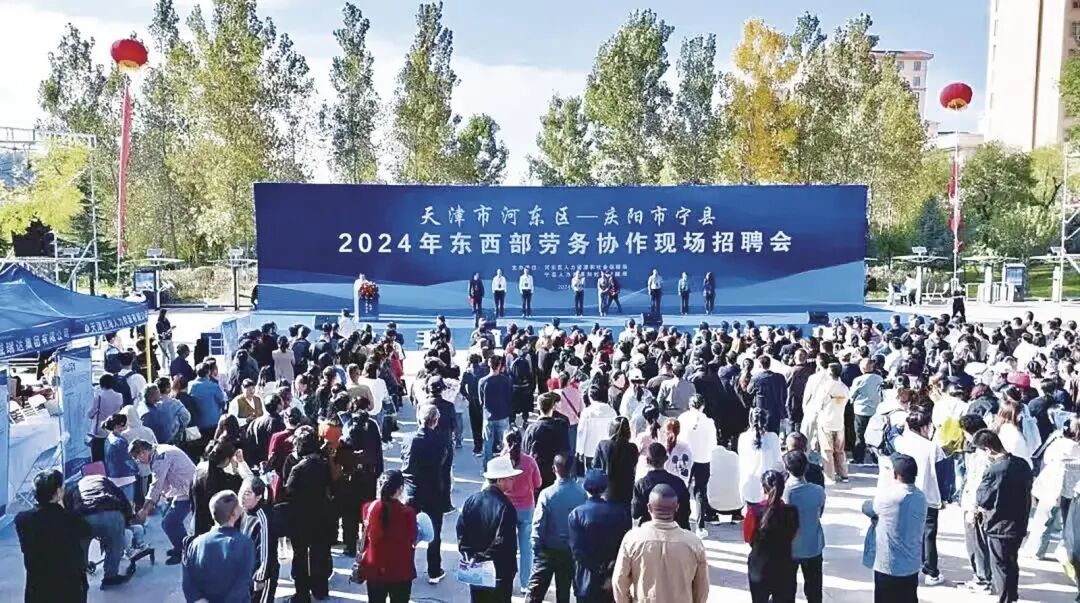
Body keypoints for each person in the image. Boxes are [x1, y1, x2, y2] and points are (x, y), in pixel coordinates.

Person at [614, 483, 709, 603]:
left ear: (649, 508)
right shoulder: (693, 543)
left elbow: (619, 581)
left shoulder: (632, 539)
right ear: (676, 508)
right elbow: (702, 588)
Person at [974, 429, 1034, 603]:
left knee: (1000, 566)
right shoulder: (1022, 464)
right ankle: (1012, 595)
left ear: (988, 449)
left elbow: (982, 499)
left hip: (999, 526)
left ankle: (1005, 599)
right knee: (1012, 562)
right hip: (1019, 523)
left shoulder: (993, 471)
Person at [16, 470, 92, 603]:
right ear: (58, 492)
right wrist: (62, 506)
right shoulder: (70, 519)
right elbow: (86, 530)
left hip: (38, 588)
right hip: (69, 588)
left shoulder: (22, 519)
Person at [861, 454, 927, 603]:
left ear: (895, 475)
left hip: (888, 567)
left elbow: (867, 507)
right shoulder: (921, 497)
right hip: (911, 566)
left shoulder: (888, 498)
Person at [280, 425, 334, 602]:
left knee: (300, 555)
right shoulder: (322, 461)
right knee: (320, 553)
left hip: (300, 516)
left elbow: (287, 489)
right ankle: (320, 589)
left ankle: (302, 594)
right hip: (321, 513)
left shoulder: (294, 464)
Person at [892, 410, 945, 586]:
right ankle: (931, 572)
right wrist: (944, 497)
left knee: (905, 532)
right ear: (924, 427)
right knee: (929, 535)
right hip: (929, 495)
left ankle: (907, 566)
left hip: (903, 494)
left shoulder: (901, 443)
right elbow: (942, 474)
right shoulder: (933, 448)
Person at [458, 456, 521, 602]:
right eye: (510, 478)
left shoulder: (472, 501)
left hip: (475, 568)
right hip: (499, 572)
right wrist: (485, 557)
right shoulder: (506, 507)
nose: (513, 481)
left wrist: (471, 555)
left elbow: (461, 531)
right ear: (500, 480)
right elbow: (504, 542)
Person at [528, 454, 587, 603]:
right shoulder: (582, 494)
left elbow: (538, 525)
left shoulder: (547, 494)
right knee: (564, 593)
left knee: (535, 594)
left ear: (554, 468)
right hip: (569, 551)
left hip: (547, 551)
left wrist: (536, 549)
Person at [402, 404, 450, 584]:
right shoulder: (442, 440)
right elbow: (445, 469)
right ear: (436, 421)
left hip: (412, 491)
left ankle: (406, 567)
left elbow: (405, 465)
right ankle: (434, 570)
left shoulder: (409, 439)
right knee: (434, 532)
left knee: (408, 532)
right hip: (433, 491)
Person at [568, 470, 632, 603]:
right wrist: (608, 574)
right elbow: (623, 548)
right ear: (606, 488)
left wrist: (597, 572)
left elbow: (577, 551)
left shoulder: (576, 514)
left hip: (586, 579)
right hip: (611, 577)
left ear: (585, 487)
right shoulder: (620, 513)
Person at [64, 473, 137, 588]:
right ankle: (110, 577)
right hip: (110, 513)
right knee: (115, 543)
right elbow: (122, 498)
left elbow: (68, 506)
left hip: (84, 516)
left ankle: (81, 578)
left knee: (81, 546)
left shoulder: (75, 485)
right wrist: (127, 520)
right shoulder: (103, 480)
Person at [181, 490, 256, 603]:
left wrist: (198, 599)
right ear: (234, 514)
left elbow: (188, 581)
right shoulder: (245, 543)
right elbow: (244, 581)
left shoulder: (195, 544)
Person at [131, 439, 197, 565]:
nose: (137, 461)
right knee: (171, 522)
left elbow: (157, 484)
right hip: (183, 490)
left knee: (170, 523)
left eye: (136, 457)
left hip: (189, 491)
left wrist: (145, 510)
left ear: (143, 452)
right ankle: (182, 547)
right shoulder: (158, 452)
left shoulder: (160, 458)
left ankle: (184, 551)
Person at [743, 470, 799, 603]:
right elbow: (794, 534)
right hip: (784, 565)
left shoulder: (754, 512)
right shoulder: (791, 511)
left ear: (764, 488)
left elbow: (748, 538)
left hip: (760, 565)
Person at [500, 429, 542, 592]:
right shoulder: (529, 461)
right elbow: (538, 483)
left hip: (507, 507)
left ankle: (506, 579)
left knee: (507, 547)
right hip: (526, 507)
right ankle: (525, 583)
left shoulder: (502, 461)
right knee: (526, 548)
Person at [782, 451, 826, 603]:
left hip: (789, 549)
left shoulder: (784, 493)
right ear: (807, 467)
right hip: (813, 546)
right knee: (814, 591)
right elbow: (819, 513)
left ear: (786, 468)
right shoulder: (818, 491)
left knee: (787, 591)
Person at [678, 394, 719, 535]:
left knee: (683, 488)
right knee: (700, 491)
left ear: (690, 405)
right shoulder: (709, 422)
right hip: (703, 458)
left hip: (686, 458)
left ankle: (682, 521)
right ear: (703, 406)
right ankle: (700, 526)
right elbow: (713, 444)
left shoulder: (682, 418)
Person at [631, 442, 691, 529]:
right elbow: (686, 511)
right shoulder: (679, 483)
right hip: (675, 528)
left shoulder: (641, 485)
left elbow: (635, 513)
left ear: (647, 460)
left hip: (650, 529)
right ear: (666, 459)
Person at [192, 439, 245, 536]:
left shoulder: (200, 470)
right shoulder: (226, 481)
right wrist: (238, 467)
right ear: (227, 460)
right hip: (222, 529)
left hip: (201, 523)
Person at [239, 477, 279, 603]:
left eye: (247, 493)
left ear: (258, 497)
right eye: (241, 491)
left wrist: (260, 577)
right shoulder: (244, 512)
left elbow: (266, 551)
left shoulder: (262, 518)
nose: (242, 496)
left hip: (262, 574)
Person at [524, 392, 571, 491]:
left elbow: (526, 451)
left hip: (538, 471)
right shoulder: (561, 425)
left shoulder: (531, 428)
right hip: (557, 470)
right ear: (553, 407)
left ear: (539, 407)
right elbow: (566, 449)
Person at [593, 416, 639, 510]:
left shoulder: (603, 445)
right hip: (627, 494)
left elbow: (595, 467)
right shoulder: (633, 448)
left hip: (607, 493)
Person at [738, 408, 782, 505]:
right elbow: (779, 464)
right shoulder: (773, 437)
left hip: (747, 488)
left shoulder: (743, 438)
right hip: (767, 489)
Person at [816, 363, 851, 483]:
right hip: (839, 421)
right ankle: (844, 474)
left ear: (830, 373)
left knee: (827, 450)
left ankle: (829, 476)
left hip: (825, 421)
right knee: (840, 450)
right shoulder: (844, 388)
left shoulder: (825, 387)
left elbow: (818, 405)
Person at [851, 358, 885, 464]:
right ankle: (875, 458)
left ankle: (859, 458)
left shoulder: (858, 380)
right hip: (875, 410)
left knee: (860, 435)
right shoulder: (879, 379)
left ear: (862, 368)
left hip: (861, 410)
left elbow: (852, 395)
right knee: (875, 435)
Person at [480, 355, 513, 465]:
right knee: (505, 443)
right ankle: (505, 465)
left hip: (488, 416)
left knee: (487, 444)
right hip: (503, 414)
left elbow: (481, 401)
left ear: (489, 365)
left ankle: (487, 467)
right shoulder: (506, 380)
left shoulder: (482, 381)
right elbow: (510, 397)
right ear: (499, 366)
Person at [577, 383, 617, 466]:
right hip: (607, 450)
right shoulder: (612, 412)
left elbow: (581, 432)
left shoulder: (587, 412)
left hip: (590, 451)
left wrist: (580, 451)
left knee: (591, 473)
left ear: (591, 397)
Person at [103, 413, 140, 500]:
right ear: (119, 425)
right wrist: (136, 468)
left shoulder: (108, 439)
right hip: (125, 477)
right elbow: (127, 459)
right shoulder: (120, 441)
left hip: (112, 476)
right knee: (128, 503)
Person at [89, 373, 125, 461]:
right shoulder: (119, 396)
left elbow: (90, 414)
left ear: (101, 384)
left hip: (100, 431)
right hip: (114, 428)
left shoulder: (99, 397)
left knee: (98, 457)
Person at [747, 355, 787, 434]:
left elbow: (749, 391)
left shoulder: (756, 378)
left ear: (759, 365)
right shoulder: (779, 377)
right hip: (776, 411)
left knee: (761, 434)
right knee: (774, 434)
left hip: (761, 412)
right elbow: (784, 393)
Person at [189, 361, 226, 439]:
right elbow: (222, 401)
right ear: (208, 372)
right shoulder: (213, 386)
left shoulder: (190, 386)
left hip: (196, 424)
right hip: (213, 422)